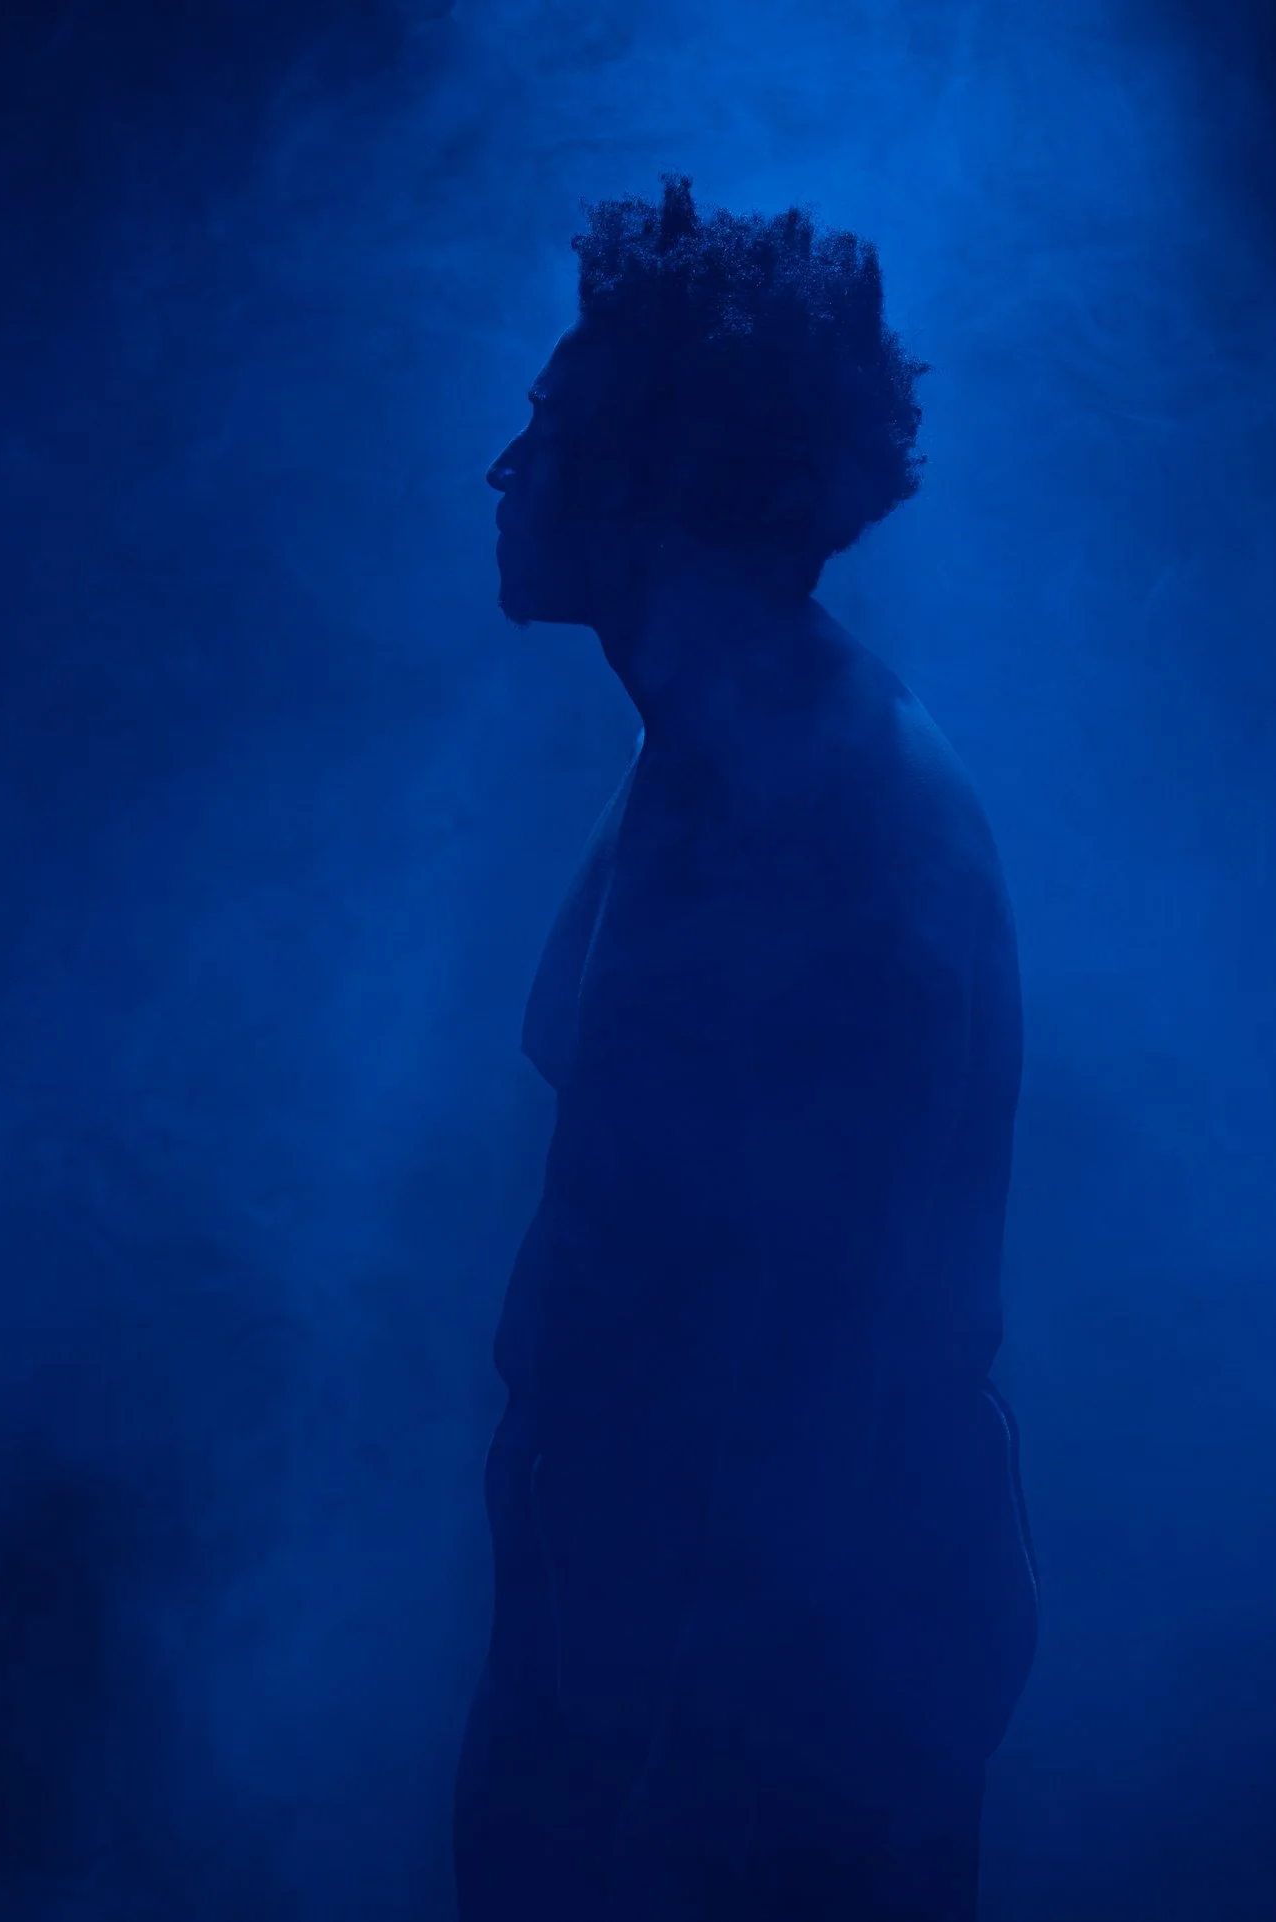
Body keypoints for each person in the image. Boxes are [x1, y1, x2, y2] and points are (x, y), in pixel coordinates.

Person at [455, 177, 1035, 1922]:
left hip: (755, 1721)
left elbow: (785, 1367)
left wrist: (645, 1784)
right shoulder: (720, 754)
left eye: (553, 424)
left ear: (659, 472)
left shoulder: (824, 819)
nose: (505, 468)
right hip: (676, 1670)